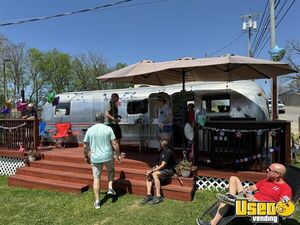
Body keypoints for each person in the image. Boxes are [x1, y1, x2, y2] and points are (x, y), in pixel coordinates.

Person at [197, 163, 292, 225]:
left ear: (277, 174)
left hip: (258, 206)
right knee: (233, 178)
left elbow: (281, 208)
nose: (267, 170)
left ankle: (213, 223)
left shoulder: (286, 189)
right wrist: (247, 190)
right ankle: (232, 197)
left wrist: (256, 201)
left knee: (226, 200)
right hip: (250, 197)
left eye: (270, 170)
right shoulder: (267, 180)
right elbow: (253, 188)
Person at [83, 112, 121, 209]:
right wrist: (118, 154)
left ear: (95, 119)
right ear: (103, 119)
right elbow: (115, 144)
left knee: (96, 178)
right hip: (108, 155)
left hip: (95, 157)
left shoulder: (90, 130)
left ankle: (97, 201)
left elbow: (85, 147)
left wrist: (86, 156)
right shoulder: (108, 129)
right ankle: (110, 187)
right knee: (111, 171)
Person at [140, 138, 176, 205]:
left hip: (169, 170)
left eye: (160, 143)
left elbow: (162, 165)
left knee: (154, 174)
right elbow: (158, 165)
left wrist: (152, 171)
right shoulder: (162, 151)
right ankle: (149, 195)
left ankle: (158, 196)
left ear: (163, 145)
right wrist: (150, 170)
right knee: (148, 174)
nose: (159, 144)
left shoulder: (168, 152)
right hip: (162, 169)